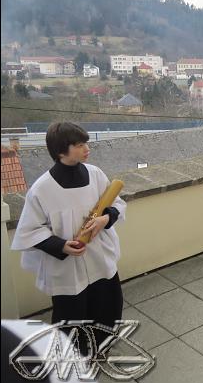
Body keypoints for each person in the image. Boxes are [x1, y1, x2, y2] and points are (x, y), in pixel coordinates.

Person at [10, 122, 126, 351]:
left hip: (98, 257)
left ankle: (101, 346)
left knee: (107, 306)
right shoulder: (42, 188)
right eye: (79, 145)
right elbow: (30, 230)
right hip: (68, 266)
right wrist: (62, 246)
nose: (86, 148)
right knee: (71, 316)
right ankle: (75, 356)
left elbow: (117, 204)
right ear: (61, 150)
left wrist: (104, 219)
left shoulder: (95, 174)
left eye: (85, 143)